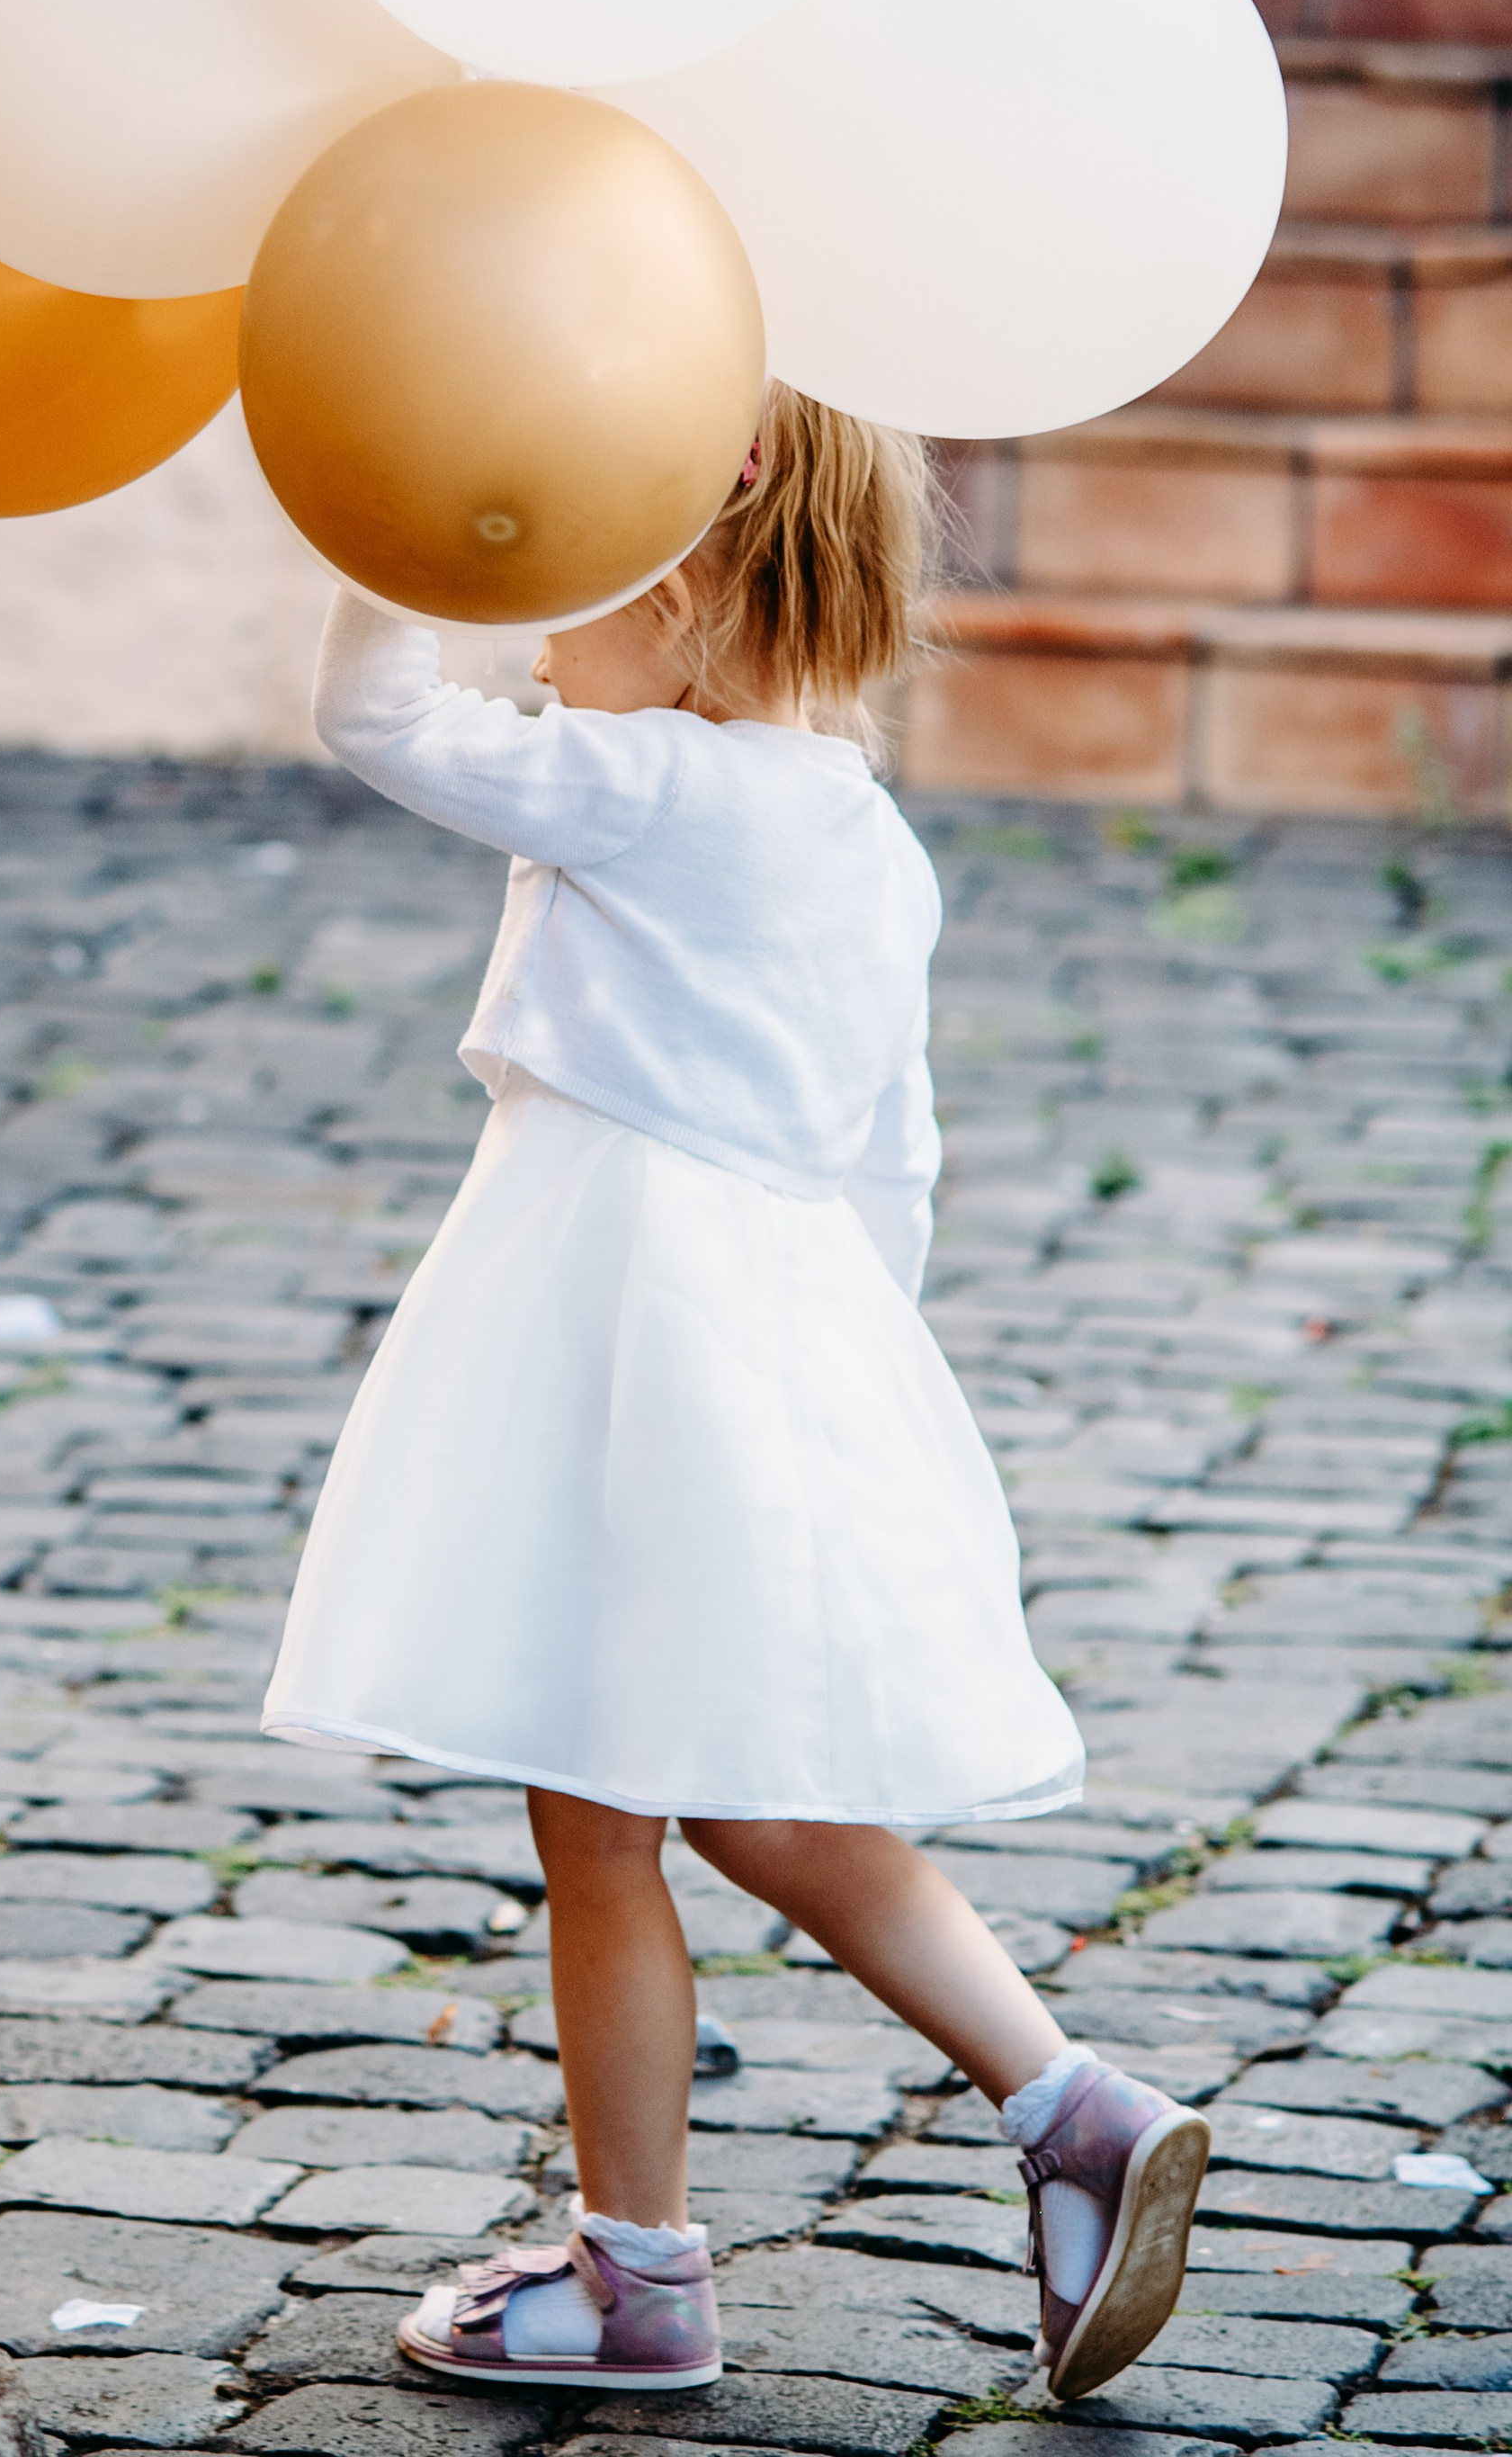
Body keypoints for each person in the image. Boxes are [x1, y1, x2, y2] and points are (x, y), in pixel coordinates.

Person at [261, 383, 1209, 2406]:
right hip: (773, 1348)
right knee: (765, 1808)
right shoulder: (861, 838)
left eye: (567, 581)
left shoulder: (654, 789)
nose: (540, 652)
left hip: (622, 1351)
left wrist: (385, 497)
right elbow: (895, 1162)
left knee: (610, 1824)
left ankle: (655, 2270)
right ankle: (1057, 2116)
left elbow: (376, 716)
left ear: (692, 560)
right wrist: (839, 1402)